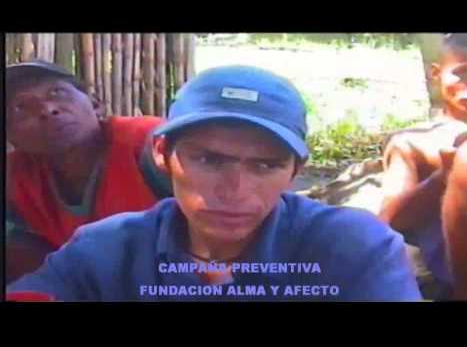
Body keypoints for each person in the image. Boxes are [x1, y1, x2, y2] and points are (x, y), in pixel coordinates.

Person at [7, 65, 421, 301]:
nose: (234, 189)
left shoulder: (354, 248)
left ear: (296, 171)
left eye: (265, 166)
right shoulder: (104, 248)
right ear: (161, 155)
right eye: (208, 159)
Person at [6, 60, 172, 282]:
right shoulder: (17, 178)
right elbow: (32, 269)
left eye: (58, 92)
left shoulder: (152, 145)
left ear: (96, 104)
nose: (47, 109)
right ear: (11, 137)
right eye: (21, 108)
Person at [378, 33, 467, 300]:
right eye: (464, 73)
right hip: (456, 265)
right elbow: (389, 219)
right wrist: (443, 176)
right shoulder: (414, 141)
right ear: (436, 74)